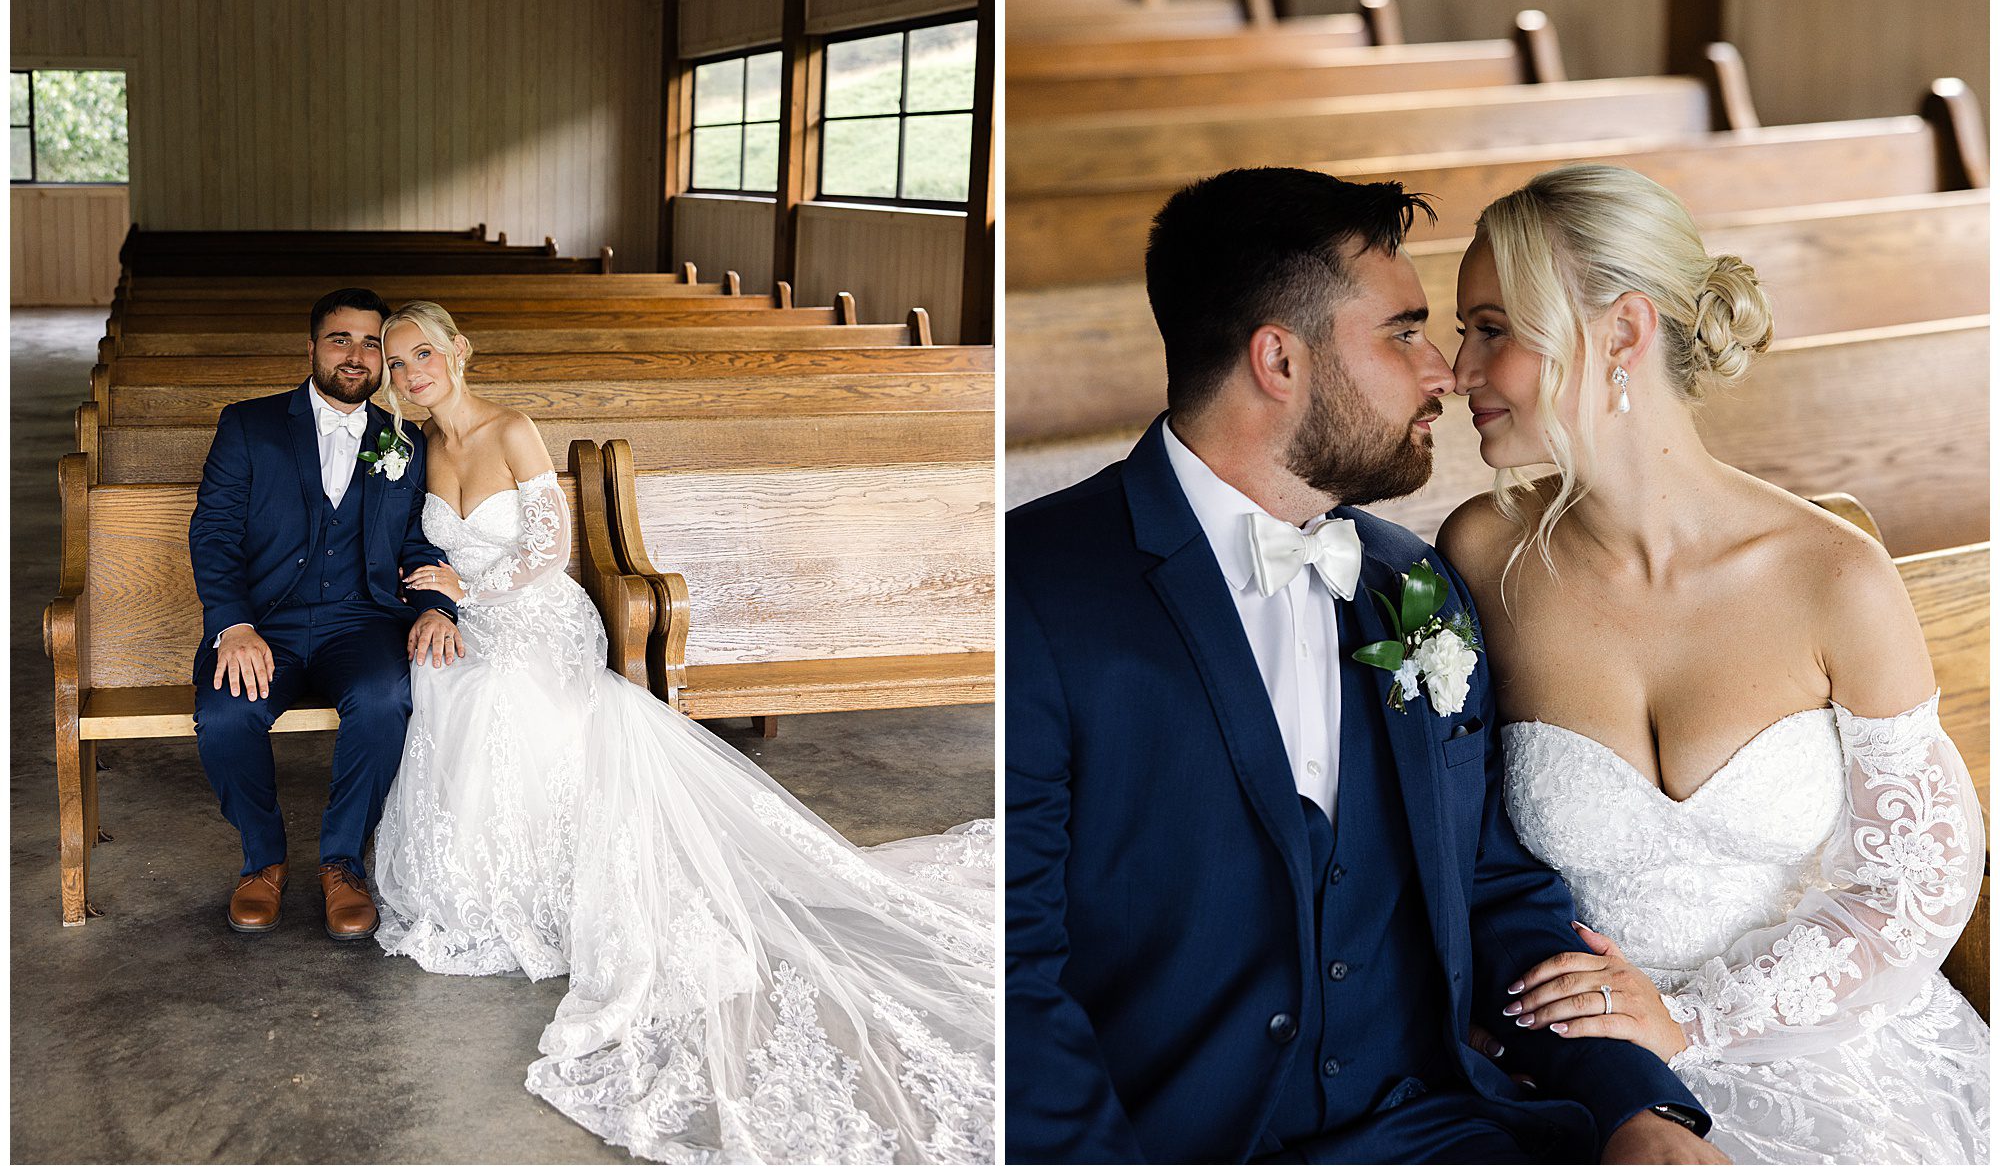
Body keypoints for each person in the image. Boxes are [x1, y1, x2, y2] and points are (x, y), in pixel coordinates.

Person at [1007, 168, 1720, 1163]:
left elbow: (1493, 895)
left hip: (1440, 1129)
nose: (1443, 373)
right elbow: (1013, 979)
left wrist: (1639, 1114)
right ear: (1279, 361)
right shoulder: (1034, 590)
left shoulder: (1410, 581)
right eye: (1403, 333)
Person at [1439, 163, 1987, 1163]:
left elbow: (1917, 877)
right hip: (1573, 1063)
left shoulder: (1831, 574)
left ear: (1622, 332)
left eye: (1489, 328)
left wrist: (1694, 1016)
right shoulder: (1482, 555)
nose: (1455, 368)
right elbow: (1451, 841)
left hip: (1811, 1042)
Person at [365, 300, 994, 1165]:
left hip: (537, 615)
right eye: (397, 364)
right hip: (473, 616)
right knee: (442, 676)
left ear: (457, 351)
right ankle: (469, 886)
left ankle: (543, 886)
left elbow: (548, 547)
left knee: (500, 689)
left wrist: (467, 596)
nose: (410, 373)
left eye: (421, 354)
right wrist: (437, 599)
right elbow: (412, 550)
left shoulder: (513, 429)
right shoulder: (414, 449)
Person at [188, 287, 462, 940]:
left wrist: (437, 605)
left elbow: (423, 541)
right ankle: (263, 860)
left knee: (386, 695)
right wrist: (234, 624)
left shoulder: (404, 441)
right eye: (341, 338)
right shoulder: (248, 425)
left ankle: (343, 862)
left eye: (373, 343)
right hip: (265, 624)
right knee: (225, 710)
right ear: (311, 347)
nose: (357, 354)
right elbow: (214, 532)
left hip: (360, 623)